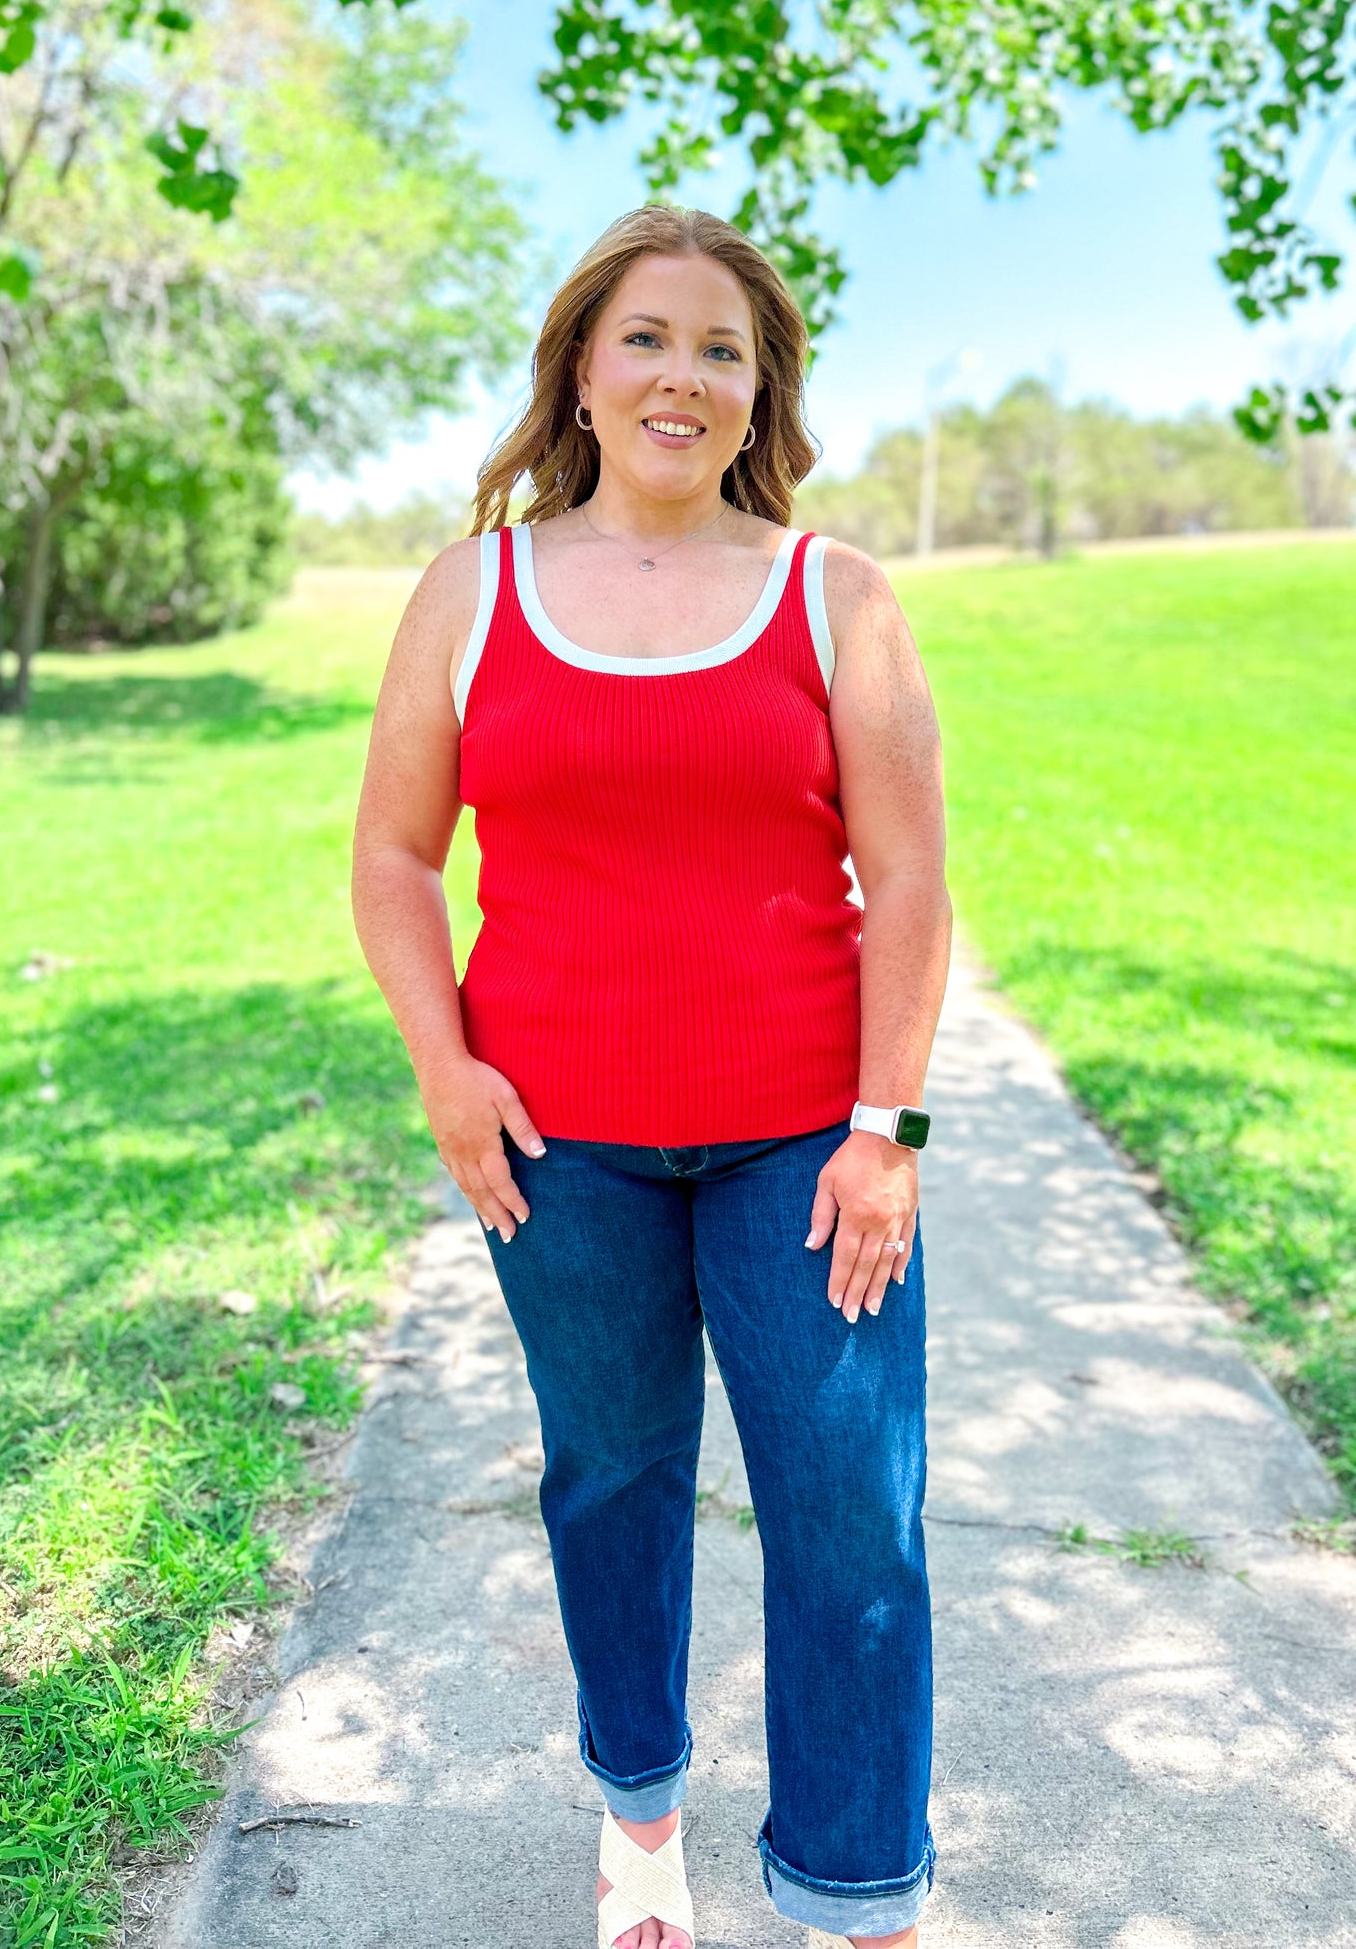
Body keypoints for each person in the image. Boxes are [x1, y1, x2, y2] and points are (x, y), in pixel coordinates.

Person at [351, 203, 952, 1949]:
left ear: (755, 391)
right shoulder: (470, 592)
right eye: (646, 338)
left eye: (719, 348)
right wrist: (446, 1074)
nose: (679, 374)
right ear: (583, 371)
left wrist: (884, 1130)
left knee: (851, 1504)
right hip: (558, 1145)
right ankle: (638, 1817)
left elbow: (908, 879)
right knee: (608, 1479)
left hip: (802, 1144)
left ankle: (859, 1894)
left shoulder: (834, 591)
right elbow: (396, 856)